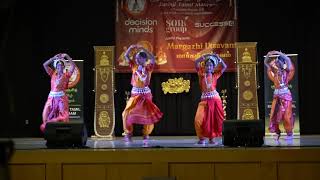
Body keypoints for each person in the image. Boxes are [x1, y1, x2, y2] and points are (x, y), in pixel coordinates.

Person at [122, 44, 163, 143]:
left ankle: (146, 134)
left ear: (144, 59)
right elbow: (126, 56)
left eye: (138, 58)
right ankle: (128, 133)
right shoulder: (134, 66)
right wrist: (130, 48)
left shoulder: (149, 67)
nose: (136, 59)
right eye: (136, 58)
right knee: (126, 113)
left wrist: (144, 49)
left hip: (145, 94)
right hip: (135, 94)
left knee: (148, 115)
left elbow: (153, 58)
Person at [194, 52, 227, 144]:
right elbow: (196, 63)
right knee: (198, 119)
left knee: (212, 120)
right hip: (204, 100)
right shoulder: (201, 74)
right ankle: (201, 138)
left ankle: (211, 138)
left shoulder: (215, 75)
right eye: (207, 65)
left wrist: (218, 58)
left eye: (210, 66)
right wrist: (203, 57)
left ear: (213, 68)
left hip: (215, 100)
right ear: (204, 67)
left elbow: (224, 67)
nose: (208, 67)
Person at [40, 53, 77, 133]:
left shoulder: (67, 75)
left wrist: (67, 56)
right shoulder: (52, 74)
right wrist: (53, 58)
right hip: (51, 98)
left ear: (63, 67)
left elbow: (73, 66)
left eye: (61, 65)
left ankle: (63, 132)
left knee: (63, 116)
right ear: (56, 67)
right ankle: (50, 130)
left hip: (61, 98)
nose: (60, 66)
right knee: (45, 114)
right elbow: (44, 65)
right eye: (58, 65)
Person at [264, 50, 295, 140]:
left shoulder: (287, 71)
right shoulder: (273, 72)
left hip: (285, 96)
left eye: (279, 62)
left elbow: (288, 59)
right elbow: (266, 62)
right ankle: (277, 133)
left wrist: (278, 52)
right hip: (276, 96)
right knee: (274, 116)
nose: (277, 64)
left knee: (286, 116)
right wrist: (268, 55)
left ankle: (289, 134)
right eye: (277, 62)